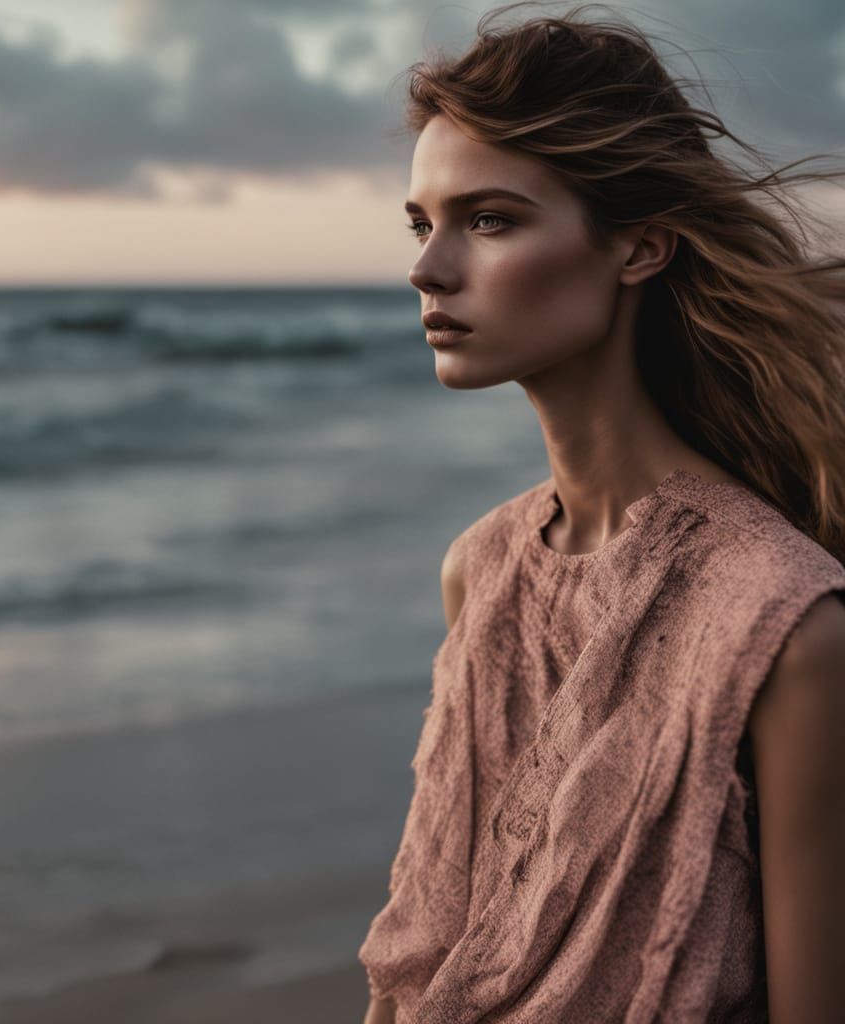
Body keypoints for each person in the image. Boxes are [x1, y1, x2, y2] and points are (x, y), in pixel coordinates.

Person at [359, 4, 845, 1022]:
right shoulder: (480, 569)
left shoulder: (783, 623)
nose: (427, 268)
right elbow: (447, 941)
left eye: (489, 220)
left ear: (639, 247)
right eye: (421, 223)